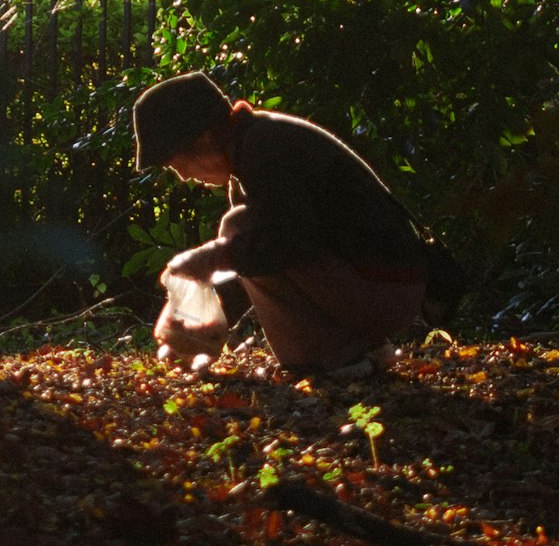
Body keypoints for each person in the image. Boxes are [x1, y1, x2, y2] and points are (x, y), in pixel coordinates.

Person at [130, 72, 450, 380]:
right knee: (239, 230)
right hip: (376, 284)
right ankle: (350, 351)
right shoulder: (249, 148)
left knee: (238, 229)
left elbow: (290, 243)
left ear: (203, 137)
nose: (183, 176)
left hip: (387, 290)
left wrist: (209, 260)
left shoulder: (266, 148)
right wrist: (198, 333)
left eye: (177, 164)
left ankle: (338, 357)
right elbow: (257, 260)